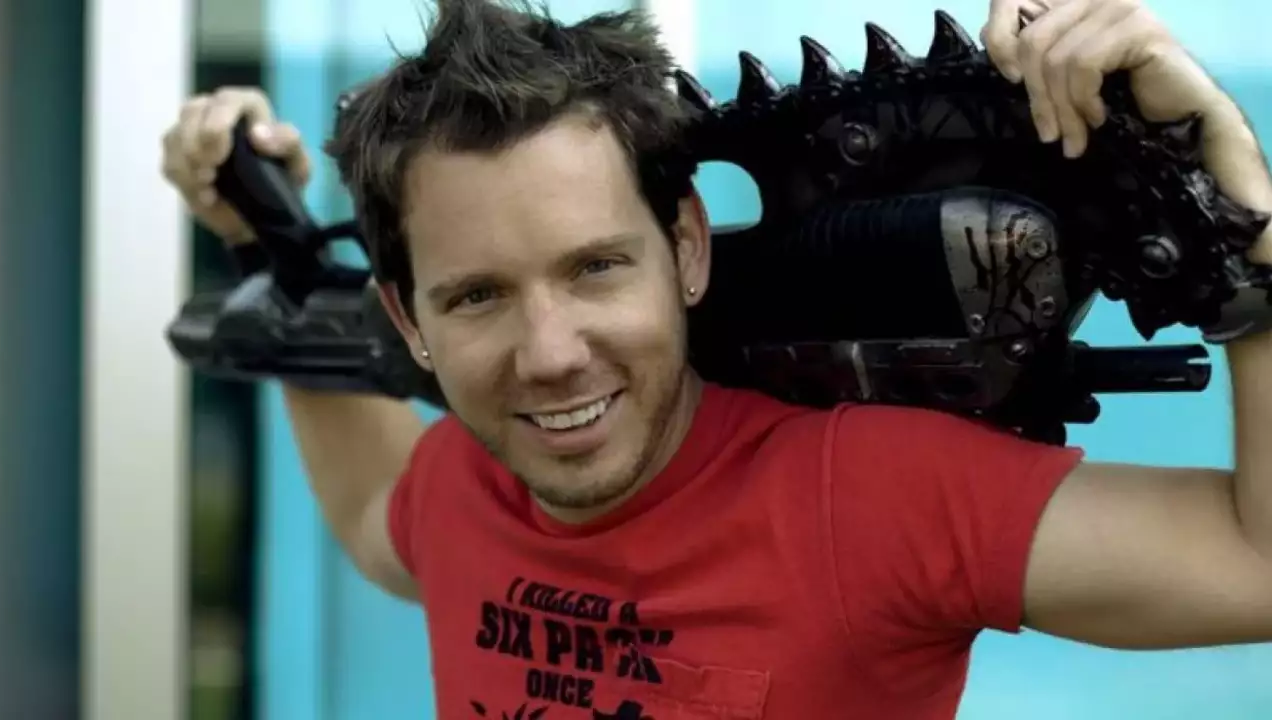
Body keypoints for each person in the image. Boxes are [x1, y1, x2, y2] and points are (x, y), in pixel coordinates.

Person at [160, 0, 1272, 716]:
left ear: (686, 248)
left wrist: (1236, 217)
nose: (550, 355)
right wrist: (265, 237)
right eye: (478, 296)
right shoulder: (458, 487)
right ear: (410, 322)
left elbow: (1254, 564)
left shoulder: (863, 496)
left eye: (596, 267)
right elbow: (369, 515)